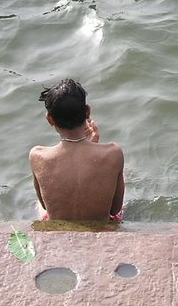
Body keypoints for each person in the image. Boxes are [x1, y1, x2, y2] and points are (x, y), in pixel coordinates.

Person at [29, 78, 125, 222]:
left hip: (58, 225)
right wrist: (92, 146)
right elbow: (115, 209)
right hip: (101, 226)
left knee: (38, 205)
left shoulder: (37, 156)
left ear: (50, 119)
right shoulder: (114, 153)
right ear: (87, 112)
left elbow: (45, 205)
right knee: (125, 177)